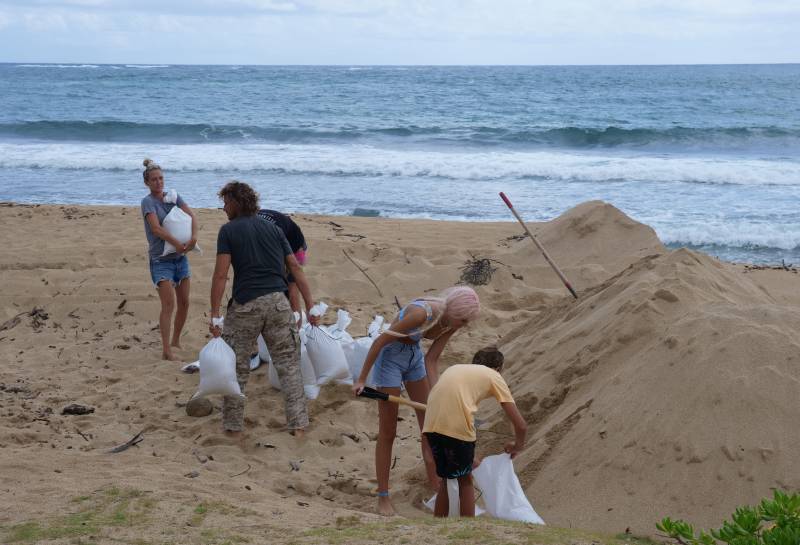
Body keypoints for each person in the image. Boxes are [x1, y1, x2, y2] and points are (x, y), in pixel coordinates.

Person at [352, 286, 480, 516]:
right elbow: (381, 341)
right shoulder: (423, 314)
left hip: (415, 359)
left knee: (431, 427)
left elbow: (432, 359)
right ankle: (383, 496)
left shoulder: (451, 323)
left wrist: (439, 395)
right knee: (388, 430)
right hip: (390, 358)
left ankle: (436, 489)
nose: (464, 326)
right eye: (463, 320)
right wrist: (361, 379)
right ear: (453, 310)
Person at [209, 181, 319, 439]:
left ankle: (234, 428)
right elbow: (295, 268)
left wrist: (215, 314)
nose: (224, 207)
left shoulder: (228, 231)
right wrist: (310, 307)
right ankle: (298, 426)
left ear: (236, 203)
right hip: (278, 304)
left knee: (236, 368)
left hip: (246, 304)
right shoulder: (273, 229)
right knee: (289, 366)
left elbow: (220, 276)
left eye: (225, 202)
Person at [423, 346, 527, 518]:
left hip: (431, 425)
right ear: (499, 368)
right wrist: (517, 445)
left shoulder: (456, 368)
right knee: (465, 481)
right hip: (455, 427)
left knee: (447, 480)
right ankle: (468, 527)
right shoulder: (493, 376)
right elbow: (521, 425)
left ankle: (437, 527)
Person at [140, 158, 197, 361]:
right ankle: (166, 350)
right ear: (147, 182)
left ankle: (176, 340)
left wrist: (194, 238)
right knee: (169, 304)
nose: (159, 182)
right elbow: (156, 229)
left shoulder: (173, 196)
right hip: (161, 260)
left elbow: (191, 215)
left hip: (180, 258)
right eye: (154, 179)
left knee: (184, 302)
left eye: (161, 178)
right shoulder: (148, 202)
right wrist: (176, 242)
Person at [256, 209, 308, 315]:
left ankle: (296, 328)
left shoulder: (271, 232)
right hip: (280, 244)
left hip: (296, 249)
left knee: (292, 289)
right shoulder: (248, 223)